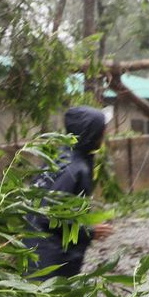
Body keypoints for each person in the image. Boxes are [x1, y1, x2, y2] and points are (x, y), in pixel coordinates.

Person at [24, 105, 114, 279]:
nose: (105, 134)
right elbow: (48, 215)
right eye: (102, 130)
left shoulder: (62, 157)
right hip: (50, 261)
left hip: (40, 251)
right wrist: (89, 232)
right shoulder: (73, 168)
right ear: (92, 133)